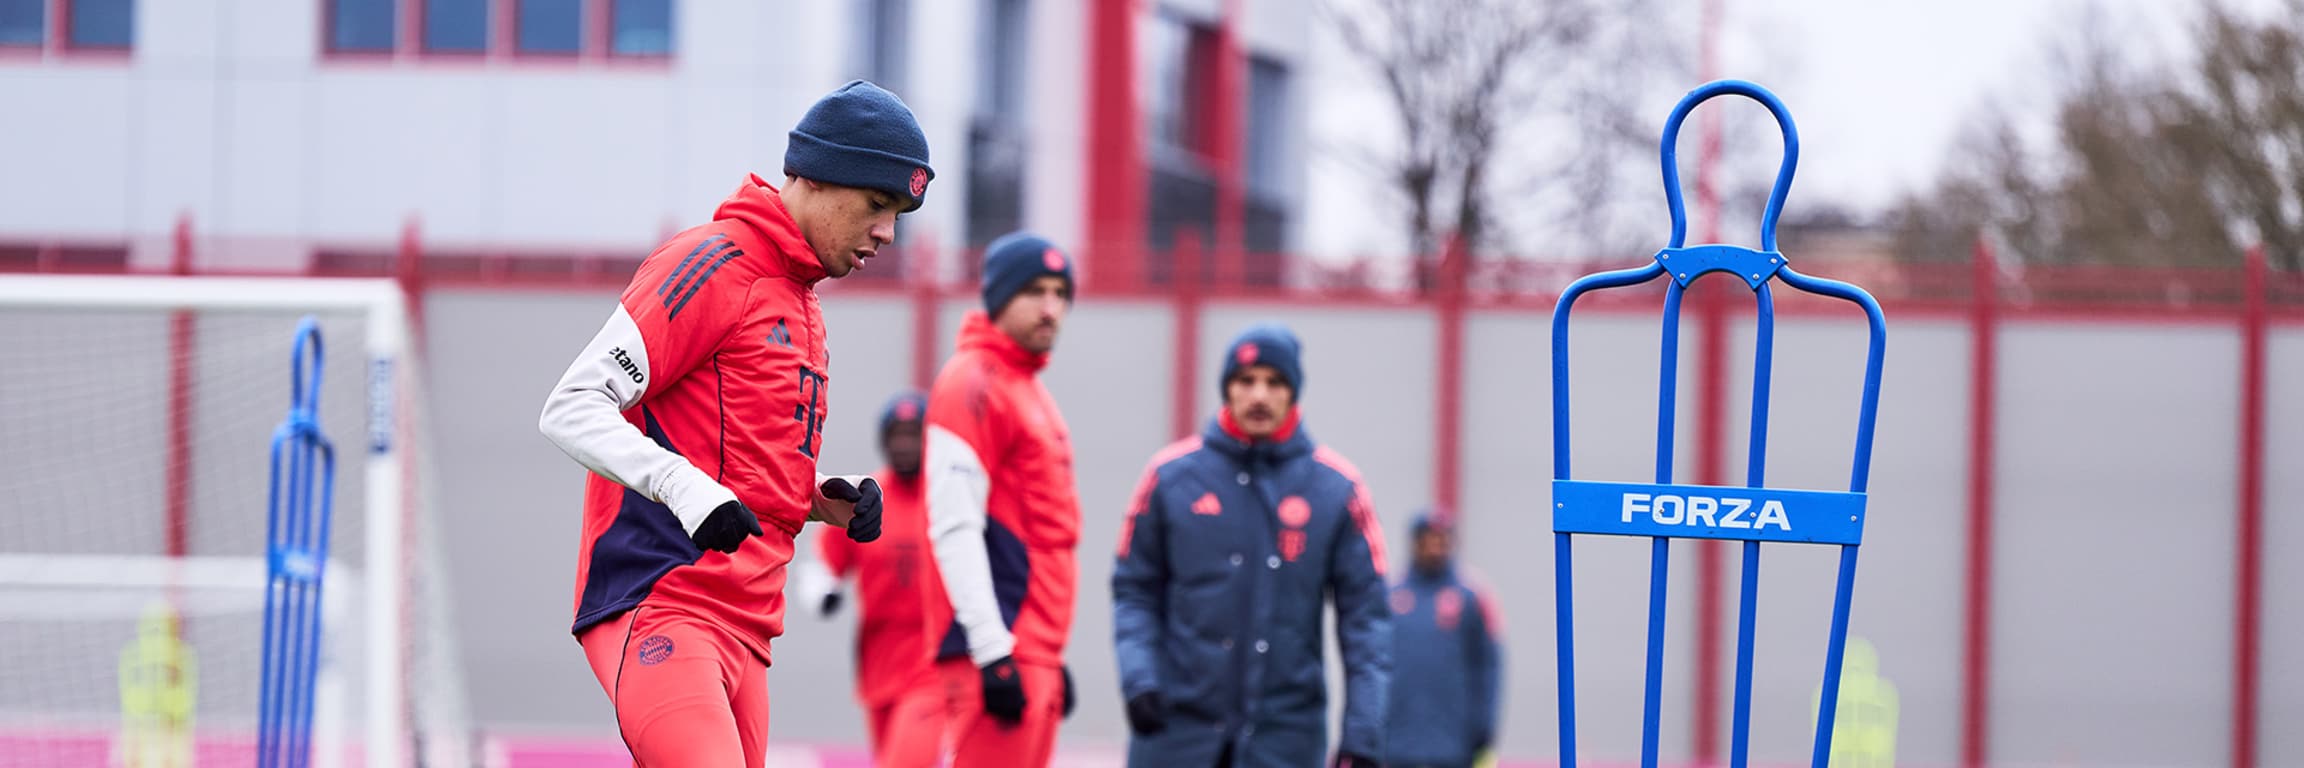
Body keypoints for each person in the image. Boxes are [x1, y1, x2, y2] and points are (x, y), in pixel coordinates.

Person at [535, 79, 931, 767]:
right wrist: (685, 491)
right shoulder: (711, 262)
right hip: (664, 601)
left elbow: (731, 470)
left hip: (749, 628)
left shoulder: (804, 307)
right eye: (876, 205)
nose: (886, 234)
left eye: (898, 215)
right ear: (818, 177)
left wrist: (820, 501)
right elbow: (570, 406)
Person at [1112, 322, 1391, 768]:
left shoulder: (1337, 489)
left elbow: (1368, 623)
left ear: (1294, 391)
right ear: (1227, 388)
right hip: (1175, 734)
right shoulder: (1170, 477)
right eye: (1246, 381)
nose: (1259, 395)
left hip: (1284, 740)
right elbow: (1134, 591)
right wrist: (1139, 679)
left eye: (1275, 382)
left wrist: (1364, 731)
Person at [923, 231, 1083, 768]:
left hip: (1032, 648)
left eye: (1061, 293)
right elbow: (954, 525)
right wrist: (993, 650)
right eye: (1035, 290)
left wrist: (1050, 655)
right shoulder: (972, 380)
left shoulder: (1029, 387)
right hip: (997, 652)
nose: (1051, 307)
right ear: (997, 296)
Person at [795, 390, 948, 767]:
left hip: (936, 666)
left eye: (914, 435)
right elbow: (821, 565)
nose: (905, 445)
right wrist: (823, 595)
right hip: (879, 669)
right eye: (897, 435)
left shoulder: (948, 498)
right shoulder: (868, 498)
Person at [1383, 511, 1504, 768]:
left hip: (1454, 744)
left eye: (1442, 540)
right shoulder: (1390, 595)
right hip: (1395, 743)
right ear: (1415, 543)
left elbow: (1489, 666)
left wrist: (1484, 727)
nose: (1435, 548)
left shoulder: (1473, 596)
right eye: (1429, 540)